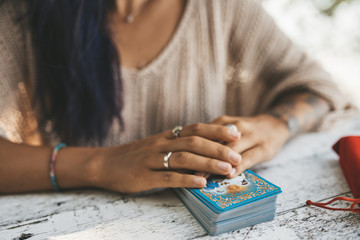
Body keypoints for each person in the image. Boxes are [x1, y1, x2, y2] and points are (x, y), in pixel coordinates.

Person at [0, 0, 349, 194]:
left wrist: (276, 125)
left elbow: (317, 86)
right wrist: (101, 164)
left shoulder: (219, 7)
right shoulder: (21, 14)